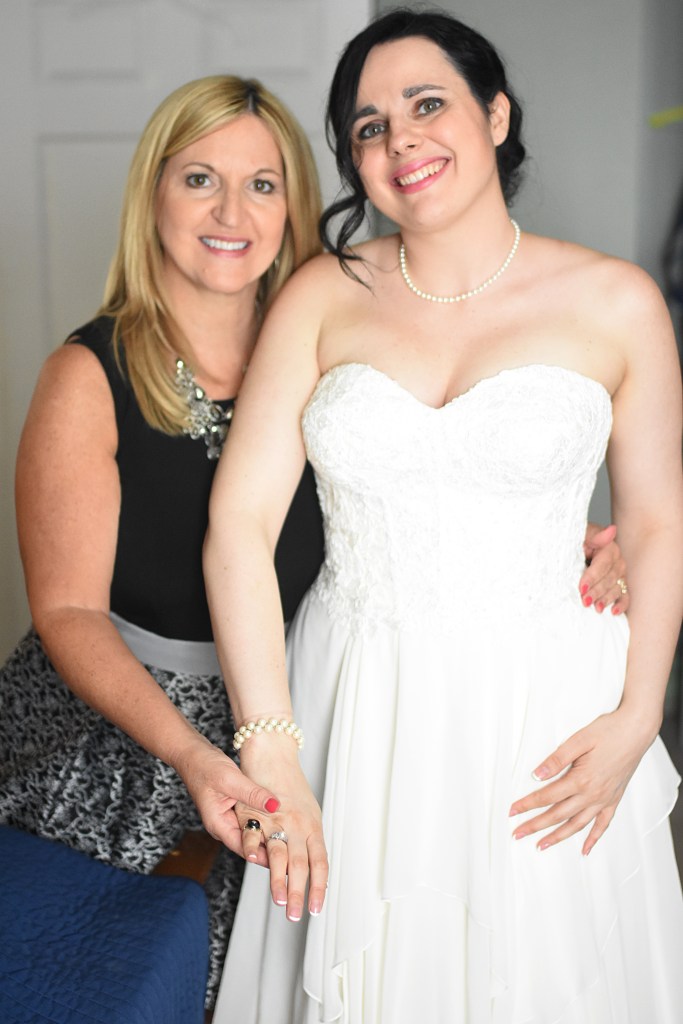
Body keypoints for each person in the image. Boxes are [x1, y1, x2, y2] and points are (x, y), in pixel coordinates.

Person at [205, 9, 683, 1023]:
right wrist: (269, 741)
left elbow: (653, 523)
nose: (400, 140)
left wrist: (639, 713)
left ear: (494, 115)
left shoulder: (617, 302)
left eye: (427, 105)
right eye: (368, 125)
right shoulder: (319, 296)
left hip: (544, 703)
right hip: (352, 699)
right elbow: (239, 522)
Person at [0, 74, 325, 1006]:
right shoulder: (87, 373)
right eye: (199, 179)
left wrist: (579, 539)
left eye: (261, 184)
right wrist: (192, 753)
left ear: (292, 210)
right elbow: (67, 611)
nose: (231, 212)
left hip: (298, 703)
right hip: (123, 734)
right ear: (153, 196)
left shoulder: (328, 356)